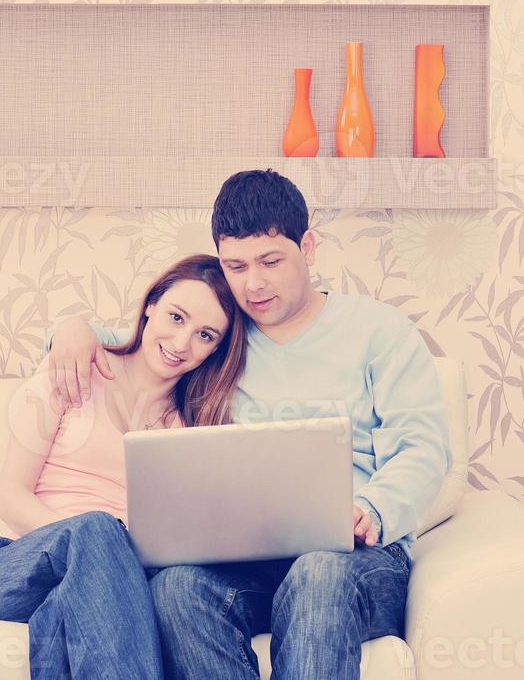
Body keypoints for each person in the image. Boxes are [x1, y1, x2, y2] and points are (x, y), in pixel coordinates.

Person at [45, 169, 452, 680]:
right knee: (175, 588)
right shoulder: (221, 337)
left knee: (318, 569)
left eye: (270, 261)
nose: (253, 284)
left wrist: (371, 508)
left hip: (356, 559)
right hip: (250, 560)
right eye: (235, 266)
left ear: (308, 247)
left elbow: (424, 447)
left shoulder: (379, 331)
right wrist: (72, 328)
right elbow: (138, 339)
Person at [0, 254, 248, 680]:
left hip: (109, 589)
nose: (182, 343)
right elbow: (10, 496)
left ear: (216, 349)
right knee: (99, 529)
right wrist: (95, 542)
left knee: (68, 607)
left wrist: (110, 561)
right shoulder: (75, 370)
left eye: (204, 335)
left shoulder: (193, 428)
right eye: (176, 317)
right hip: (20, 568)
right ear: (150, 305)